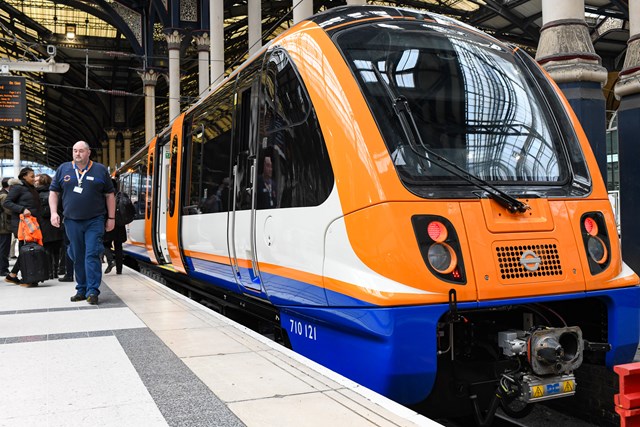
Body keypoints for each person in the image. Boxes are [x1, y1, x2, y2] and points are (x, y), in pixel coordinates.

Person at [50, 141, 115, 305]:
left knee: (92, 253)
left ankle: (93, 291)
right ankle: (81, 289)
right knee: (77, 255)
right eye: (74, 151)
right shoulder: (63, 169)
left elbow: (110, 195)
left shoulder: (100, 170)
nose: (77, 154)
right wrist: (53, 213)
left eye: (80, 151)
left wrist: (111, 218)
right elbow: (54, 193)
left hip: (95, 219)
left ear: (88, 152)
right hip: (71, 220)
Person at [3, 167, 42, 286]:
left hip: (32, 224)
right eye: (32, 176)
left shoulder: (31, 189)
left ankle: (13, 275)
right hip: (22, 225)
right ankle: (27, 279)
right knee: (27, 250)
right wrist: (22, 209)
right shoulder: (18, 188)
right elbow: (7, 202)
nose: (34, 178)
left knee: (27, 250)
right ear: (24, 176)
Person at [36, 174, 65, 279]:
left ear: (39, 183)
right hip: (55, 222)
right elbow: (62, 206)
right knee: (56, 249)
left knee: (46, 248)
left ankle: (48, 272)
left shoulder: (35, 194)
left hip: (43, 224)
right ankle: (55, 271)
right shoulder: (56, 193)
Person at [103, 179, 127, 275]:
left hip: (109, 223)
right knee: (118, 247)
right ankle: (119, 270)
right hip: (120, 225)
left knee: (104, 244)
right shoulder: (121, 195)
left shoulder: (106, 196)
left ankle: (110, 260)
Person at [0, 178, 12, 275]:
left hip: (3, 226)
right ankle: (3, 269)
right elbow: (8, 210)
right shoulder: (4, 196)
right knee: (4, 248)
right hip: (4, 227)